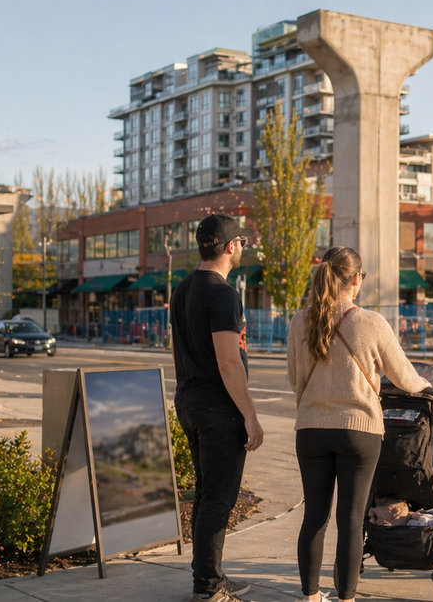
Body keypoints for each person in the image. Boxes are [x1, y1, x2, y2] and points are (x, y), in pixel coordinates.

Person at [287, 246, 431, 602]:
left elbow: (294, 378)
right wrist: (431, 389)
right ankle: (346, 598)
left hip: (311, 429)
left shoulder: (299, 320)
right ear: (355, 279)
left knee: (314, 518)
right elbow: (405, 378)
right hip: (358, 430)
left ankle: (310, 596)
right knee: (350, 520)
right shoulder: (371, 323)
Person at [170, 213, 261, 602]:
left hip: (189, 400)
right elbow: (228, 361)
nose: (241, 247)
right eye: (240, 242)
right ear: (228, 247)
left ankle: (210, 578)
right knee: (218, 499)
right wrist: (250, 415)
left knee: (209, 495)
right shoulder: (222, 293)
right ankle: (207, 588)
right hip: (216, 408)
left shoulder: (183, 289)